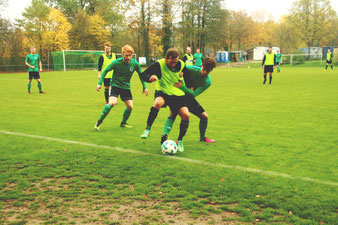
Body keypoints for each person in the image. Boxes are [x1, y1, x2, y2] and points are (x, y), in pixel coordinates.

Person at [141, 48, 189, 152]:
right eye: (171, 62)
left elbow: (188, 74)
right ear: (166, 58)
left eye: (175, 62)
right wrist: (149, 78)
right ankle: (148, 129)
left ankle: (179, 140)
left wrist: (185, 79)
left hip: (177, 94)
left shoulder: (181, 64)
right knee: (158, 103)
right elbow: (143, 74)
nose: (173, 64)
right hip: (162, 92)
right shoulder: (159, 64)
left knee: (186, 115)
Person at [94, 45, 148, 130]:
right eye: (126, 55)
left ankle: (123, 123)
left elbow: (141, 75)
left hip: (125, 87)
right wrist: (100, 83)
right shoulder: (116, 62)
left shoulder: (135, 64)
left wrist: (144, 87)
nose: (128, 57)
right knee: (112, 103)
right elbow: (105, 71)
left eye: (130, 55)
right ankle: (99, 122)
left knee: (130, 107)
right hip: (115, 85)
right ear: (123, 54)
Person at [172, 57, 217, 142]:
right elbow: (181, 66)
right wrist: (180, 72)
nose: (205, 72)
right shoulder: (192, 69)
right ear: (202, 66)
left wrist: (182, 86)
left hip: (188, 97)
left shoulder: (207, 82)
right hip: (178, 95)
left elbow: (194, 94)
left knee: (204, 117)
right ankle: (167, 137)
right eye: (205, 69)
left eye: (208, 71)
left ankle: (202, 138)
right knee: (173, 115)